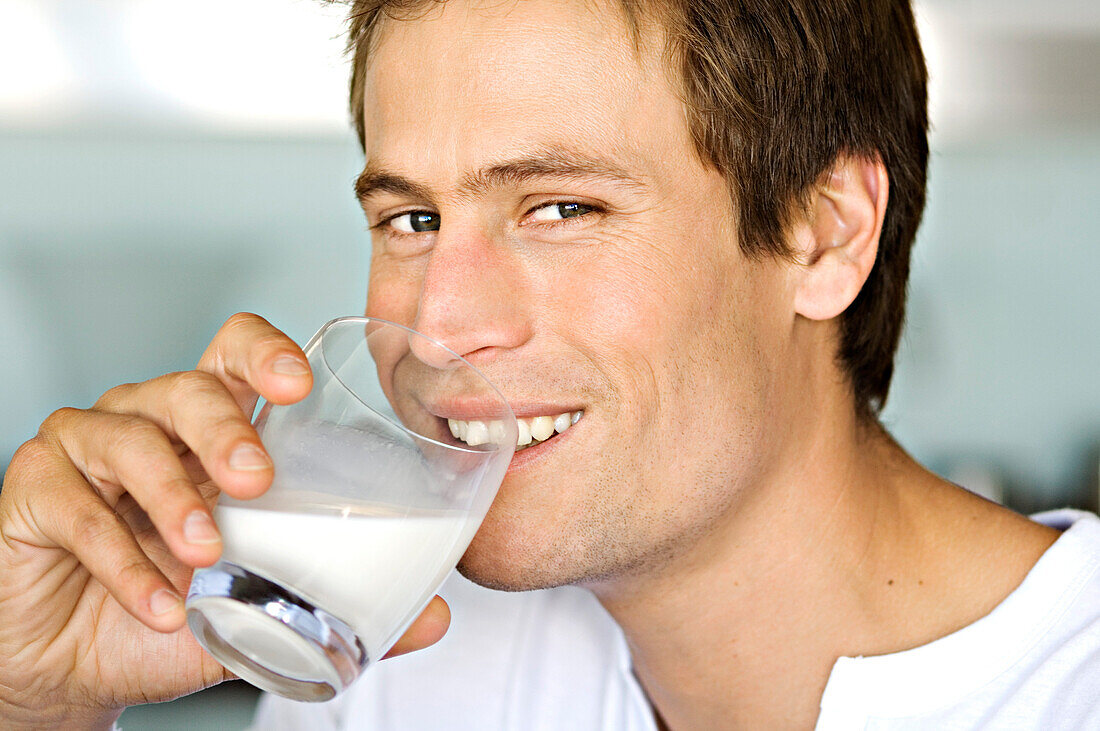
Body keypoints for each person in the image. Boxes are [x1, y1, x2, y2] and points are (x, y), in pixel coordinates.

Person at [3, 0, 1100, 728]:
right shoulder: (390, 658)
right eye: (413, 218)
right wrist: (32, 697)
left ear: (822, 233)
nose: (438, 326)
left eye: (562, 206)